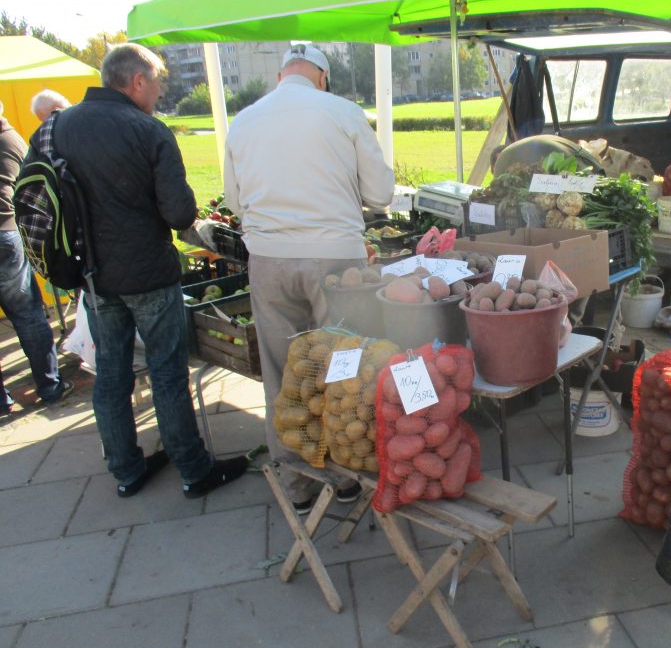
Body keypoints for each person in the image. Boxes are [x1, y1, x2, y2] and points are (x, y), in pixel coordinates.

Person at [31, 44, 246, 498]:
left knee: (111, 373)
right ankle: (194, 470)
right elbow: (178, 212)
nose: (162, 91)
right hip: (148, 274)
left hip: (91, 274)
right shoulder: (148, 130)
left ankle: (126, 471)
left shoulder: (57, 125)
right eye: (159, 82)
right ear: (137, 82)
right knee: (168, 373)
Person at [224, 42, 395, 512]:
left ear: (282, 75)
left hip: (269, 260)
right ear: (322, 75)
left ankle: (297, 482)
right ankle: (343, 477)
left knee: (283, 373)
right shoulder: (342, 111)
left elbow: (234, 201)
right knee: (342, 371)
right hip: (334, 261)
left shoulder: (244, 120)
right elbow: (381, 193)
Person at [0, 100, 72, 416]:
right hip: (6, 233)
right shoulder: (13, 139)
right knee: (27, 313)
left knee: (26, 314)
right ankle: (50, 386)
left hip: (6, 235)